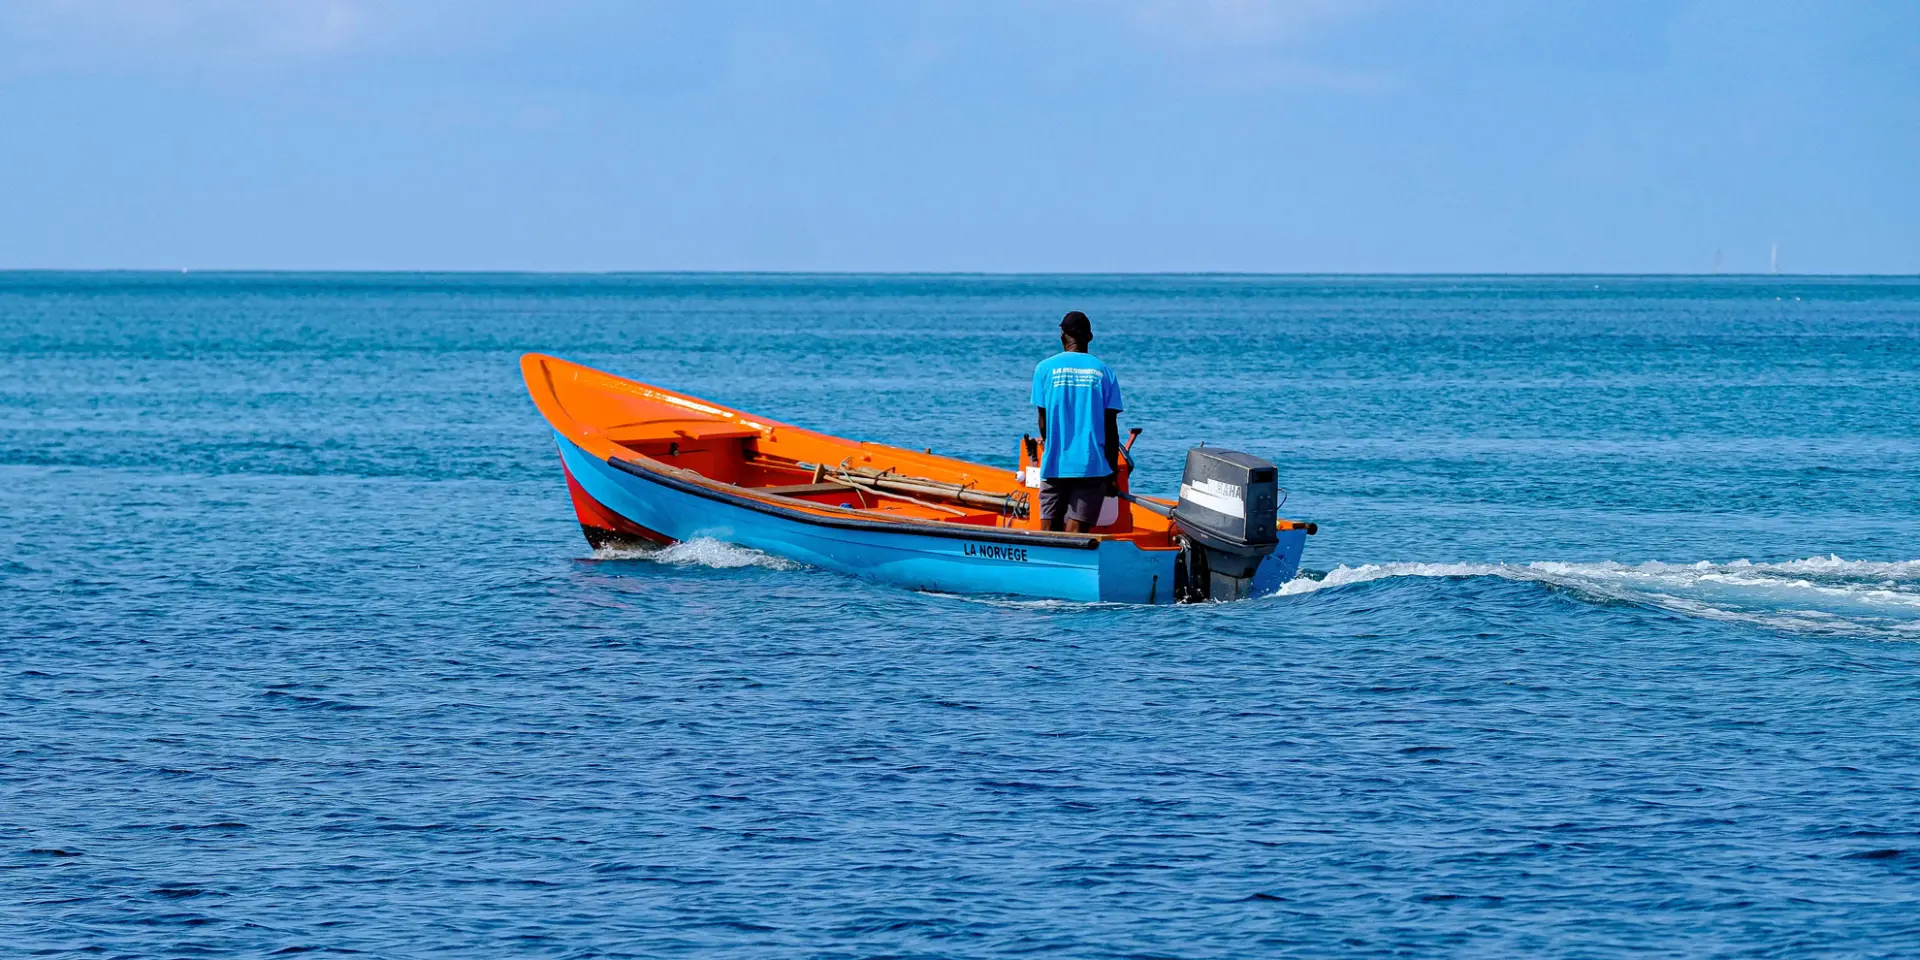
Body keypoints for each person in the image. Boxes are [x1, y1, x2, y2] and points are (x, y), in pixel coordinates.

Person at [1031, 310, 1124, 532]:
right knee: (1076, 534)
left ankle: (1048, 566)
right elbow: (1110, 428)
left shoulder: (1044, 369)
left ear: (1062, 334)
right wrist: (1112, 472)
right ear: (1089, 337)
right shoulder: (1105, 373)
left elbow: (1042, 421)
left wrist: (1051, 445)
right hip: (1091, 465)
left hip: (1055, 462)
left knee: (1048, 530)